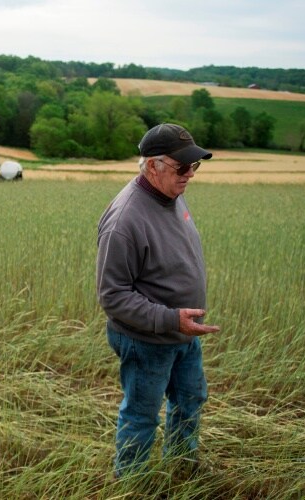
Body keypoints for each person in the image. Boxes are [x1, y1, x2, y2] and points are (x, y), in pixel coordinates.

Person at [96, 123, 221, 477]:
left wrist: (181, 323)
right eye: (182, 167)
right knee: (142, 415)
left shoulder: (172, 193)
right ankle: (131, 482)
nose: (190, 175)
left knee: (191, 399)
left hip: (183, 332)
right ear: (153, 166)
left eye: (194, 166)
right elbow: (113, 296)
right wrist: (170, 320)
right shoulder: (124, 221)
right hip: (147, 339)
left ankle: (181, 469)